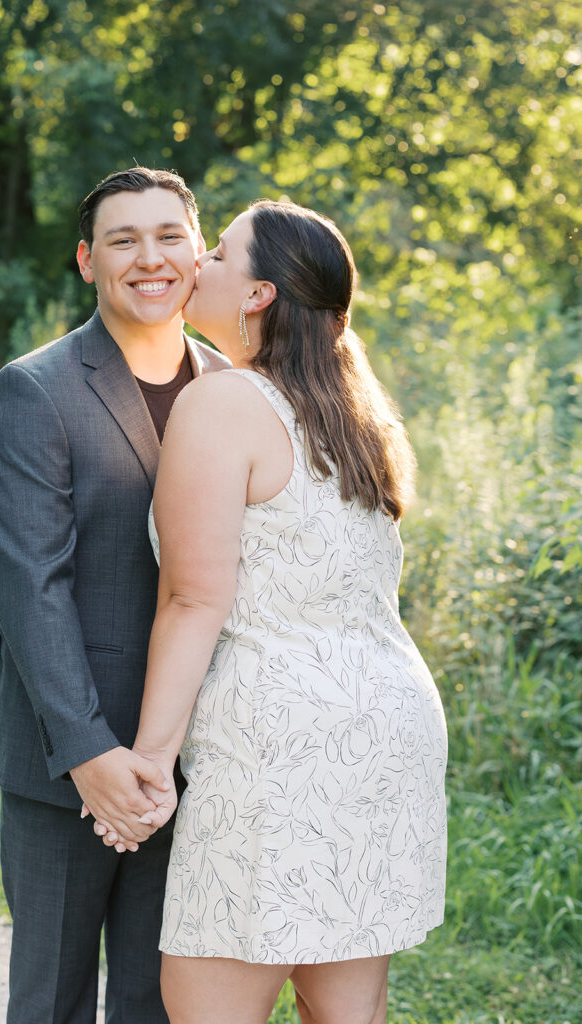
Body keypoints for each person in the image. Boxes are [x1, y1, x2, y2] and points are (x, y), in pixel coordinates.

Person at [91, 200, 448, 1024]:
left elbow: (195, 596)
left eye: (219, 254)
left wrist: (151, 762)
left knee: (210, 1002)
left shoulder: (223, 402)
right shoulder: (356, 413)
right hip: (389, 731)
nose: (198, 264)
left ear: (258, 295)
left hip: (280, 744)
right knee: (344, 1008)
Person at [0, 167, 230, 1024]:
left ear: (199, 253)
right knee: (53, 998)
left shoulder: (232, 384)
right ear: (88, 261)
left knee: (163, 1001)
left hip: (197, 758)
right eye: (124, 240)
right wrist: (90, 756)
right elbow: (30, 589)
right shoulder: (35, 388)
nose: (149, 258)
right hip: (66, 764)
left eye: (169, 237)